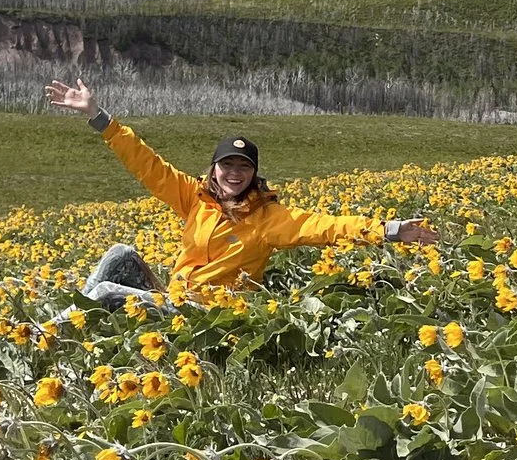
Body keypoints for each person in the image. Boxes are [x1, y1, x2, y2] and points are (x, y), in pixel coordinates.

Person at [44, 79, 437, 303]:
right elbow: (146, 164)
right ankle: (62, 324)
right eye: (227, 165)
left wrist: (390, 229)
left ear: (253, 174)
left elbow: (326, 226)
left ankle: (56, 337)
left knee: (108, 293)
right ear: (214, 170)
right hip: (176, 297)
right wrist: (99, 118)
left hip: (206, 311)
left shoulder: (268, 219)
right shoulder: (194, 198)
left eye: (243, 167)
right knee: (120, 255)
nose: (234, 173)